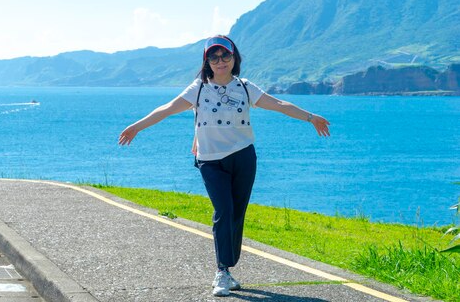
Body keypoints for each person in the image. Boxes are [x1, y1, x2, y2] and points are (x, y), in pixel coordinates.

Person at [118, 35, 330, 297]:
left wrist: (311, 118)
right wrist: (136, 127)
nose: (220, 61)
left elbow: (278, 104)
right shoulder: (198, 88)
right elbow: (168, 109)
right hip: (210, 160)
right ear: (207, 61)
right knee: (223, 210)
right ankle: (222, 271)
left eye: (225, 56)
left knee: (237, 214)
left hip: (243, 157)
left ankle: (229, 268)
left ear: (234, 59)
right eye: (214, 57)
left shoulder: (244, 87)